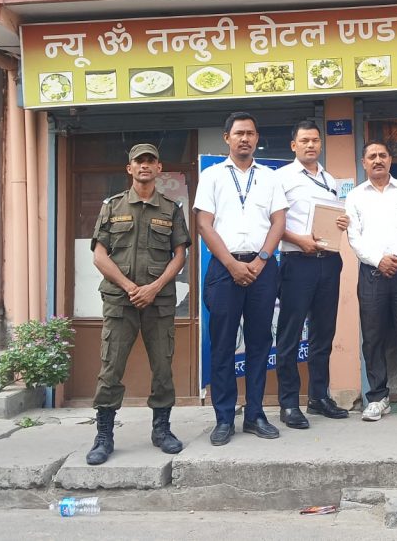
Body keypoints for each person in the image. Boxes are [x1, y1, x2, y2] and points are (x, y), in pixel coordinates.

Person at [87, 143, 190, 466]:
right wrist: (131, 287)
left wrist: (154, 287)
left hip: (159, 302)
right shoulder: (112, 206)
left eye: (150, 161)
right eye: (138, 161)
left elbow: (180, 255)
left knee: (162, 367)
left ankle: (162, 430)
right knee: (111, 367)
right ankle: (104, 435)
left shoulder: (171, 209)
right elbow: (99, 255)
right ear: (129, 168)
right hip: (121, 301)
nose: (144, 166)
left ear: (159, 169)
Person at [194, 113, 288, 446]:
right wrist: (232, 264)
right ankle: (224, 418)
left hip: (263, 267)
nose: (245, 138)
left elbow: (279, 221)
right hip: (224, 268)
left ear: (257, 138)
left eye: (250, 133)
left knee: (260, 342)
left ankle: (255, 415)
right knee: (222, 343)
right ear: (227, 138)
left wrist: (262, 259)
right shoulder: (212, 176)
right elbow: (204, 224)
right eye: (238, 133)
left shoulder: (270, 177)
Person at [275, 120, 350, 429]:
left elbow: (334, 216)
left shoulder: (330, 179)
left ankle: (319, 396)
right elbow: (273, 222)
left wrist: (342, 223)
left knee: (323, 333)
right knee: (290, 335)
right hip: (297, 262)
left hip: (329, 261)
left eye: (315, 140)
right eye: (304, 140)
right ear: (294, 145)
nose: (310, 145)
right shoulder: (281, 178)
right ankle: (289, 403)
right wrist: (299, 240)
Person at [345, 140, 397, 422]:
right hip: (371, 273)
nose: (377, 160)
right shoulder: (355, 196)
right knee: (373, 338)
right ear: (364, 163)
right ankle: (377, 398)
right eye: (372, 156)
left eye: (382, 155)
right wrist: (379, 260)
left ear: (390, 160)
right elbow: (354, 236)